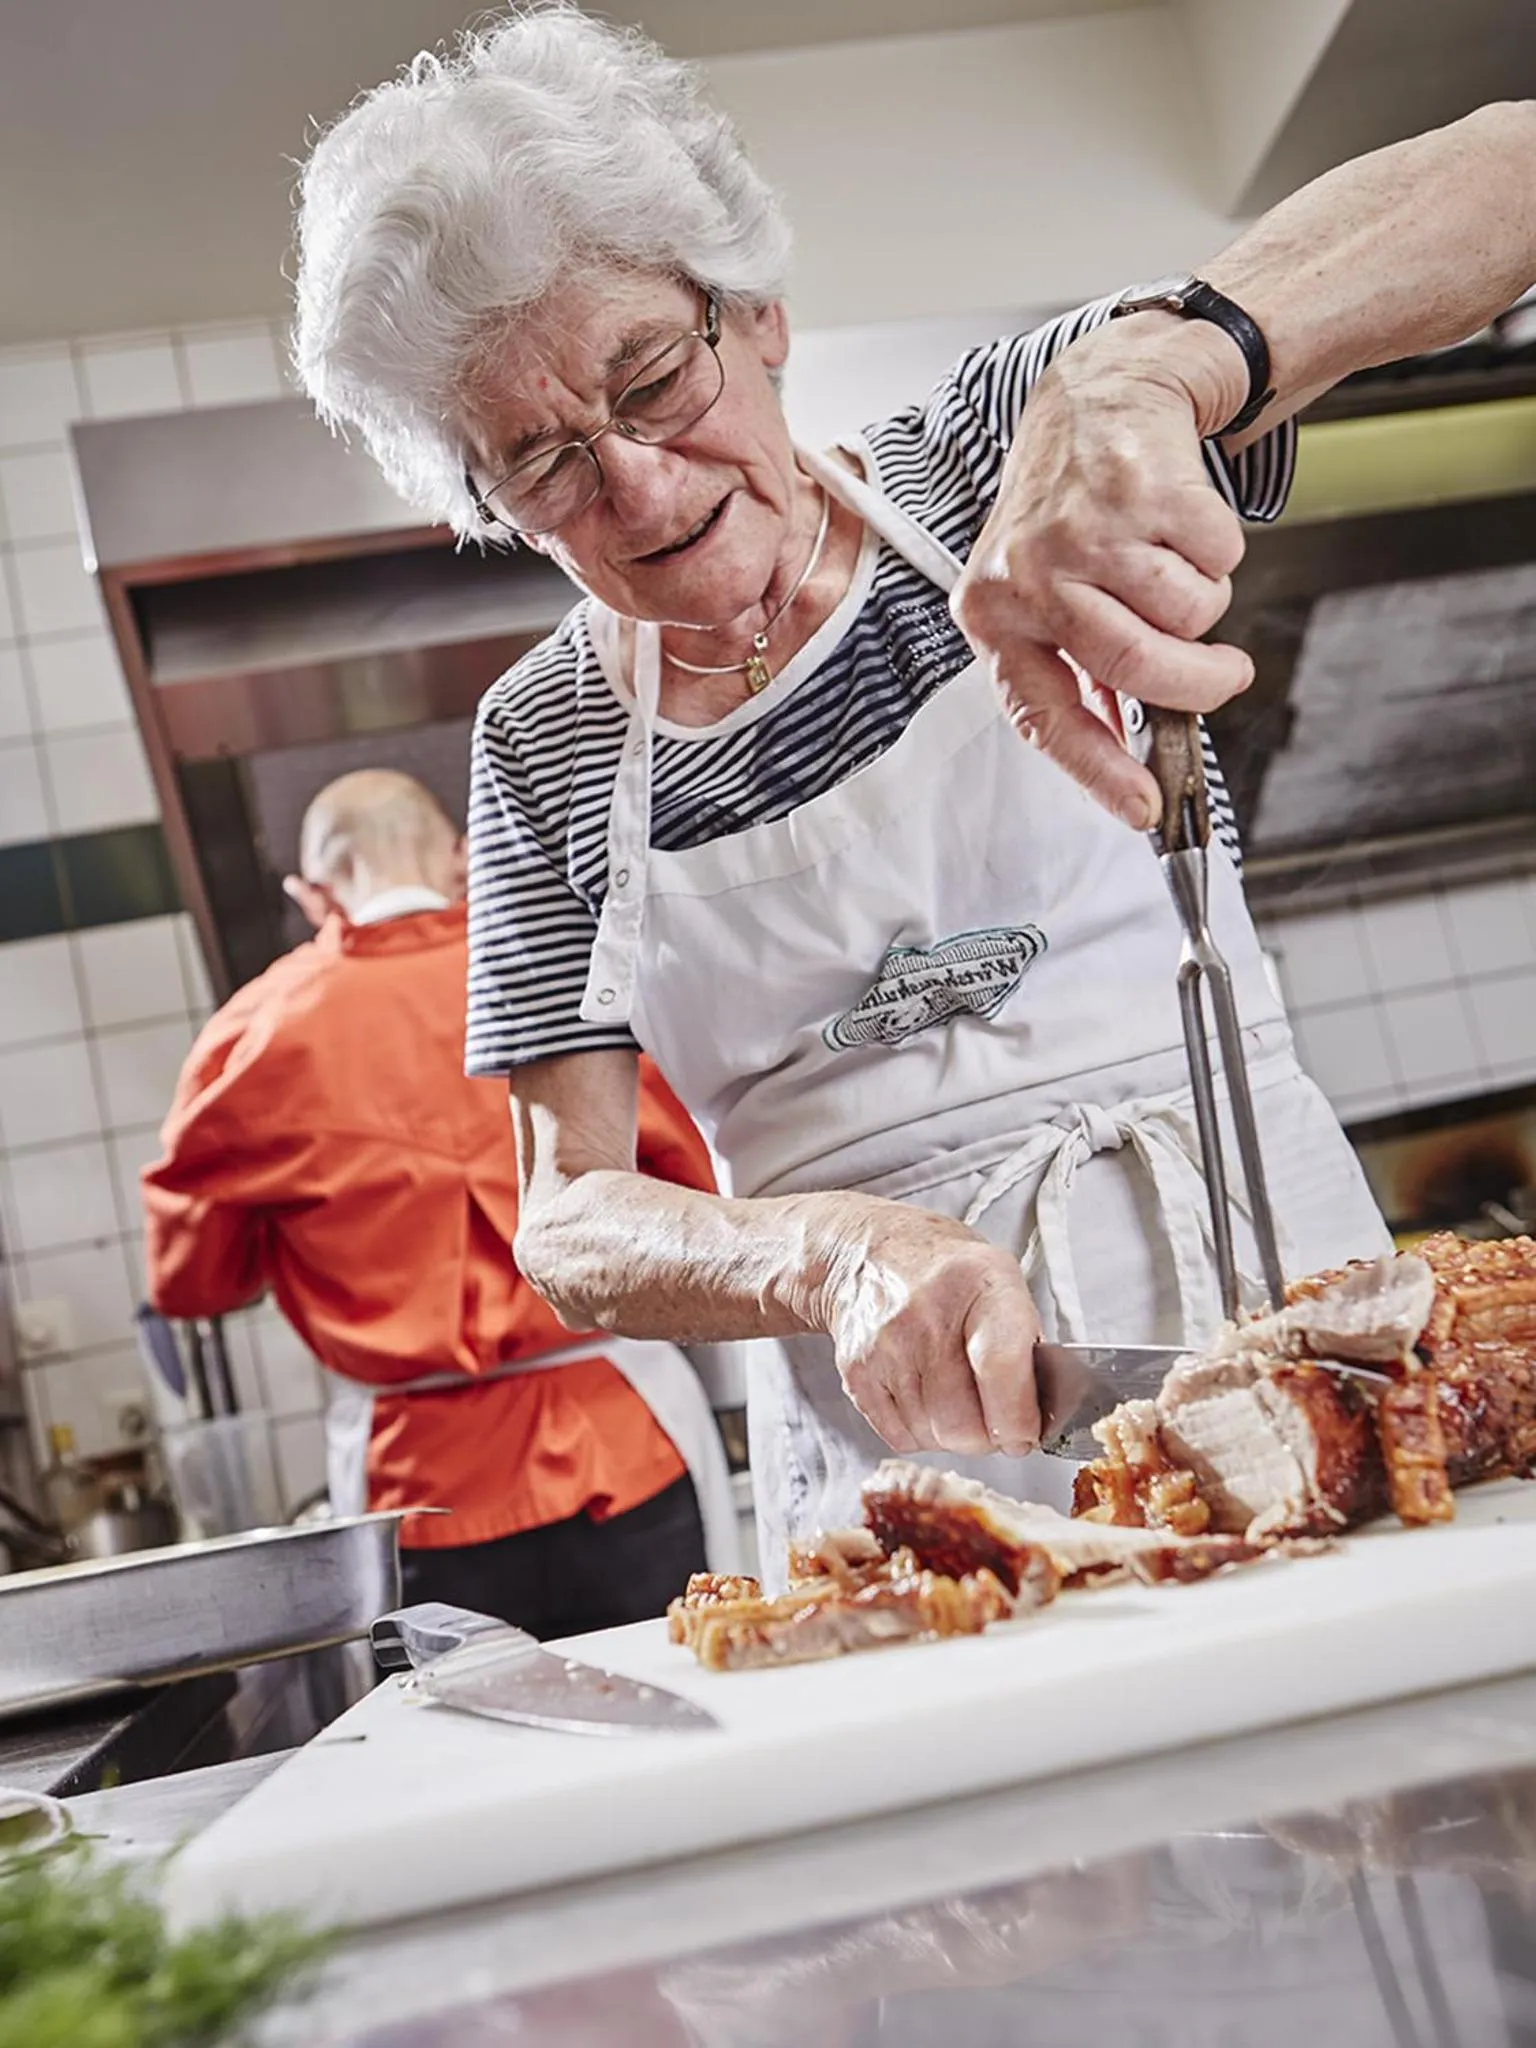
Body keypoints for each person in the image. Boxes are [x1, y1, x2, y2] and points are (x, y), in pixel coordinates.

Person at [290, 5, 1536, 1565]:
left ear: (756, 316)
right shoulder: (541, 744)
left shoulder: (1002, 456)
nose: (640, 485)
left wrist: (1157, 367)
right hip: (916, 1473)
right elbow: (570, 1217)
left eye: (654, 379)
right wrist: (831, 1255)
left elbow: (1513, 172)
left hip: (1283, 1347)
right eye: (540, 463)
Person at [142, 768, 738, 1634]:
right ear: (461, 859)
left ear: (311, 894)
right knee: (681, 1728)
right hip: (621, 1444)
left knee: (463, 1756)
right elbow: (699, 1187)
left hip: (418, 1488)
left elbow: (193, 1283)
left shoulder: (249, 1038)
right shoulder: (564, 975)